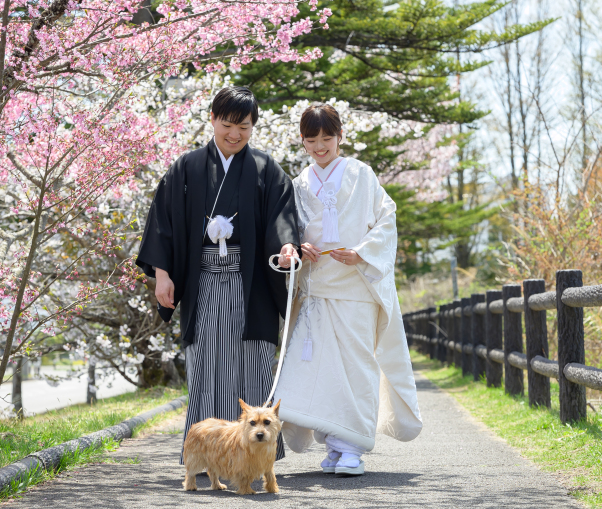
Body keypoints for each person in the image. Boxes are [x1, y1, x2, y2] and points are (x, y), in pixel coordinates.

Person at [136, 86, 300, 462]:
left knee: (254, 366)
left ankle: (256, 461)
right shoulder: (187, 167)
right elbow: (164, 223)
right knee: (206, 371)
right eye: (227, 124)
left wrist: (288, 246)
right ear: (212, 119)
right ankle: (207, 458)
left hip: (252, 284)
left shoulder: (265, 168)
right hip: (204, 282)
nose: (235, 134)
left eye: (244, 126)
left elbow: (282, 217)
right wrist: (162, 273)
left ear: (253, 125)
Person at [273, 103, 422, 476]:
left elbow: (387, 222)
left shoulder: (361, 174)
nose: (320, 147)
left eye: (327, 138)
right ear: (303, 142)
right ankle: (334, 444)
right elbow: (288, 229)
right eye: (312, 140)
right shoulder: (299, 184)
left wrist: (362, 252)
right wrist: (298, 248)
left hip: (356, 287)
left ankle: (353, 445)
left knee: (356, 366)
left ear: (340, 136)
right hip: (318, 289)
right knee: (317, 368)